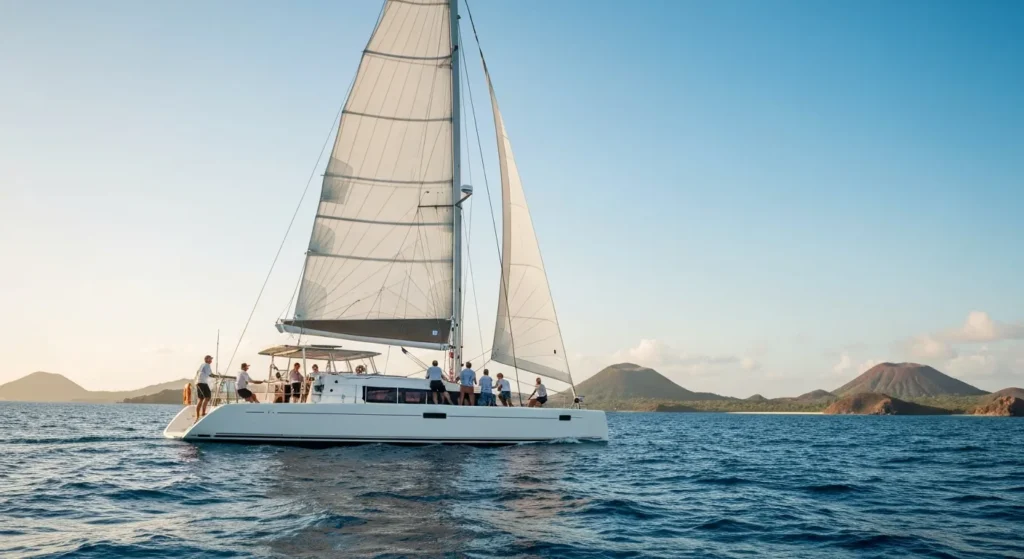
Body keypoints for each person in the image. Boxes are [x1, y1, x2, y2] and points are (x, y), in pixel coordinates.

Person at [195, 355, 214, 422]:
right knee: (203, 398)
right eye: (210, 359)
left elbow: (208, 374)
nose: (211, 360)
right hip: (201, 383)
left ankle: (201, 413)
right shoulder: (207, 365)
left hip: (202, 383)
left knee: (206, 397)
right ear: (207, 359)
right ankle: (199, 414)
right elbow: (210, 374)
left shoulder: (203, 365)